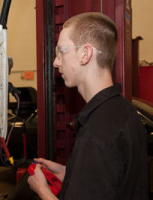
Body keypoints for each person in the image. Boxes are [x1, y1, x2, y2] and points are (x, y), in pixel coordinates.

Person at [27, 12, 148, 200]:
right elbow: (114, 181)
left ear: (85, 54)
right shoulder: (126, 112)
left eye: (62, 51)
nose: (56, 61)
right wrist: (71, 173)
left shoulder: (96, 134)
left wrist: (42, 189)